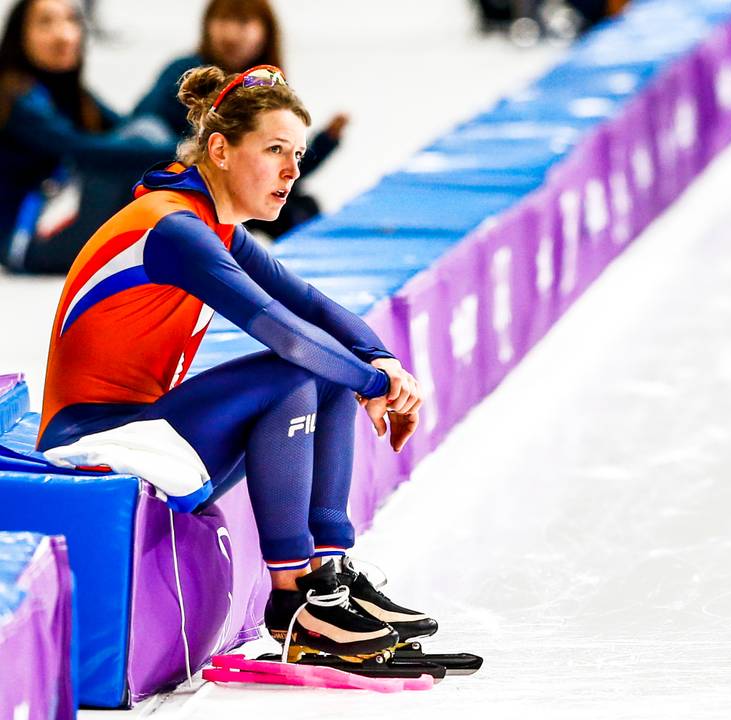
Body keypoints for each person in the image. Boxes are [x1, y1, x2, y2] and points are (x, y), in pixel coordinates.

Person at [36, 64, 435, 660]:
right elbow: (285, 334)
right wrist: (373, 383)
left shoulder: (213, 225)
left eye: (298, 154)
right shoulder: (173, 228)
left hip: (146, 434)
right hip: (92, 443)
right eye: (275, 150)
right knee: (300, 369)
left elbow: (312, 305)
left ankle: (327, 579)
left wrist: (383, 362)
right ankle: (294, 603)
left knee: (324, 372)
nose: (292, 171)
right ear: (220, 150)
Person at [133, 0, 346, 240]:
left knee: (301, 208)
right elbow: (140, 133)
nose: (231, 34)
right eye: (223, 20)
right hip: (186, 183)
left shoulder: (265, 80)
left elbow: (278, 169)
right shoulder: (183, 71)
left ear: (265, 31)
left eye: (243, 22)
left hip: (232, 185)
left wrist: (325, 141)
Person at [0, 0, 171, 274]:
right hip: (23, 240)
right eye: (46, 23)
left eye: (71, 21)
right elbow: (83, 149)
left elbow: (128, 127)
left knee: (147, 130)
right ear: (19, 35)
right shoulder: (15, 95)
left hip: (57, 215)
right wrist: (182, 150)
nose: (62, 33)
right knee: (136, 146)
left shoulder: (76, 94)